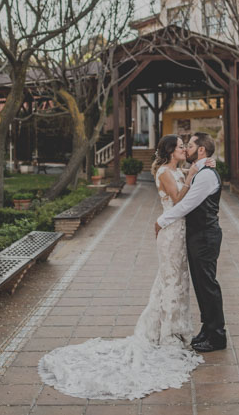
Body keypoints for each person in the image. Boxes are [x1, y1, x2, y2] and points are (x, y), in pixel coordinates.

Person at [38, 134, 209, 399]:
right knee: (170, 280)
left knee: (175, 281)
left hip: (179, 230)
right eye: (179, 147)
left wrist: (199, 167)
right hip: (170, 232)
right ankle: (167, 333)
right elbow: (177, 200)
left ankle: (173, 328)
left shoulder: (178, 169)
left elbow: (197, 169)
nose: (183, 150)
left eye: (184, 147)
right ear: (169, 152)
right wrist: (189, 178)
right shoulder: (165, 172)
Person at [155, 132, 226, 353]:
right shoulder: (195, 170)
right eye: (182, 146)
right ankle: (208, 329)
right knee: (201, 286)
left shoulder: (205, 175)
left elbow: (186, 205)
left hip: (205, 235)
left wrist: (161, 221)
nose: (186, 149)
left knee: (208, 286)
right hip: (196, 235)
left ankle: (217, 336)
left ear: (201, 150)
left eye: (190, 145)